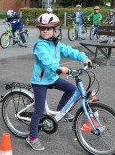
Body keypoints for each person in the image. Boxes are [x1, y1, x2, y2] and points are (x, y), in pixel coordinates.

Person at [26, 13, 92, 151]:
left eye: (49, 28)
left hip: (52, 78)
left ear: (55, 30)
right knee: (39, 109)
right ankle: (32, 137)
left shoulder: (55, 43)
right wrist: (58, 68)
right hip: (40, 81)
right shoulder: (40, 45)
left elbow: (69, 50)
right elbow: (47, 60)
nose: (45, 31)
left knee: (72, 90)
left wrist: (83, 58)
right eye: (43, 28)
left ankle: (60, 112)